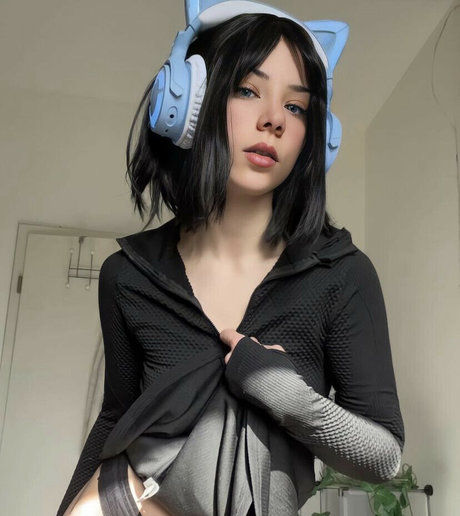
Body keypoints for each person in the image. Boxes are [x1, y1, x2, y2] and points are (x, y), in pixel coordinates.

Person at [57, 2, 404, 515]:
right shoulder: (127, 275)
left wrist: (280, 390)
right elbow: (115, 416)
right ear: (192, 103)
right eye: (247, 90)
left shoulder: (342, 274)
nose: (273, 120)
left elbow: (384, 455)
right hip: (123, 500)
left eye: (296, 107)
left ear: (313, 137)